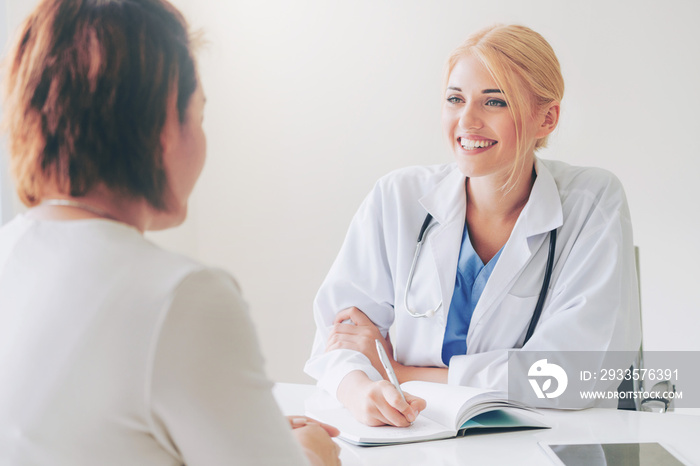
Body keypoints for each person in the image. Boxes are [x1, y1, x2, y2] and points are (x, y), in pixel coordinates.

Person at [0, 0, 340, 464]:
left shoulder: (12, 255)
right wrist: (312, 452)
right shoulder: (180, 295)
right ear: (162, 122)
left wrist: (240, 427)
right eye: (198, 116)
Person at [305, 24, 641, 426]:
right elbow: (338, 339)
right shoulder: (396, 197)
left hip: (547, 442)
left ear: (547, 118)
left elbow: (575, 375)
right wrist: (361, 391)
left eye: (494, 102)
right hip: (412, 437)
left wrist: (403, 373)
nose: (467, 121)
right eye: (455, 99)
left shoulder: (593, 201)